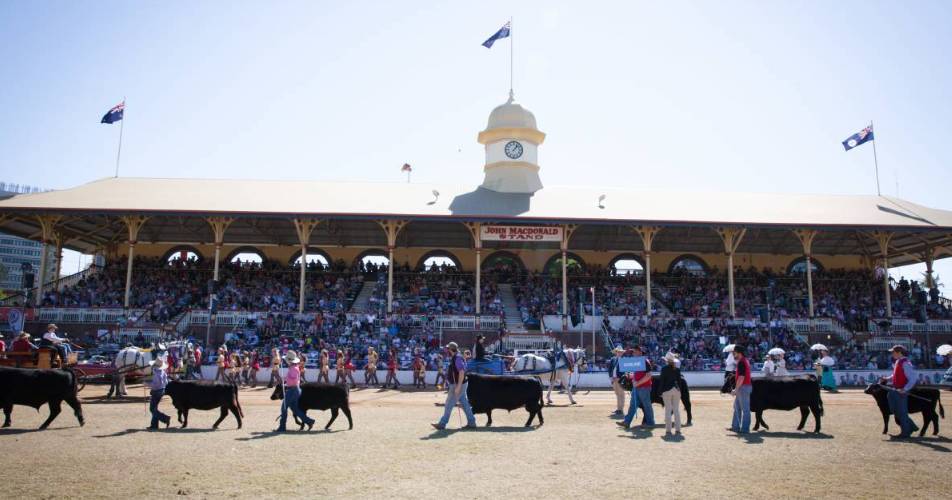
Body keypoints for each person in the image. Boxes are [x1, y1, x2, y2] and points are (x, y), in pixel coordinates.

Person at [431, 342, 477, 430]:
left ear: (451, 350)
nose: (446, 350)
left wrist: (458, 386)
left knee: (449, 404)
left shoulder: (457, 358)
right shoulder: (458, 357)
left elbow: (462, 372)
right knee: (464, 404)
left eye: (448, 349)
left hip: (458, 385)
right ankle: (472, 422)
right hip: (461, 384)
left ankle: (442, 424)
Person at [880, 345, 919, 438]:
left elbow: (913, 378)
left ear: (899, 352)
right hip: (895, 390)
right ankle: (912, 427)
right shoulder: (898, 361)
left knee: (901, 412)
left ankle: (905, 433)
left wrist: (905, 389)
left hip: (900, 391)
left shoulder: (905, 363)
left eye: (893, 352)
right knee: (895, 410)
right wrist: (886, 378)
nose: (892, 354)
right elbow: (895, 375)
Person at [276, 351, 315, 432]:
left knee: (284, 408)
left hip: (292, 390)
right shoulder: (294, 368)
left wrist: (286, 380)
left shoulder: (293, 368)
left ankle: (282, 427)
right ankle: (309, 421)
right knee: (295, 409)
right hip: (294, 390)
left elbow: (293, 380)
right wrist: (286, 383)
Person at [618, 346, 654, 429]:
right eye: (633, 352)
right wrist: (631, 376)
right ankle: (627, 422)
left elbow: (649, 376)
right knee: (633, 405)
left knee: (646, 405)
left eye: (634, 352)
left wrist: (638, 383)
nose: (633, 353)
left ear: (639, 352)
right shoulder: (638, 362)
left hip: (644, 387)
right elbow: (638, 374)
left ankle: (650, 423)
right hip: (638, 387)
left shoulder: (645, 361)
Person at [659, 352, 682, 436]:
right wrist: (680, 391)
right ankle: (678, 429)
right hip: (676, 390)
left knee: (668, 410)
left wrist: (660, 392)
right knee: (676, 410)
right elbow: (679, 382)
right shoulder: (677, 369)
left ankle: (668, 430)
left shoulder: (664, 369)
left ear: (666, 360)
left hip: (667, 391)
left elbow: (662, 381)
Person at [730, 345, 752, 434]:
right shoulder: (744, 361)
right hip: (744, 387)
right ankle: (735, 426)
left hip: (743, 387)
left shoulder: (742, 362)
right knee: (737, 407)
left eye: (734, 352)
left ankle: (745, 429)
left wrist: (736, 389)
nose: (733, 354)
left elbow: (741, 377)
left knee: (744, 409)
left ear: (739, 353)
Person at [147, 356, 171, 430]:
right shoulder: (162, 372)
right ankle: (154, 425)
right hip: (161, 390)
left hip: (156, 391)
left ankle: (165, 418)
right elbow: (166, 382)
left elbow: (155, 384)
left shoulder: (156, 373)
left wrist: (147, 384)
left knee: (152, 409)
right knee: (154, 408)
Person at [607, 346, 626, 416]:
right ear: (616, 352)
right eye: (618, 352)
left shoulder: (624, 360)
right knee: (618, 394)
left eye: (620, 352)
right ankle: (619, 408)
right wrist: (611, 378)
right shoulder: (613, 359)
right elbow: (610, 369)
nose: (619, 353)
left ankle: (620, 409)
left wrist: (620, 378)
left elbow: (625, 372)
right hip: (614, 379)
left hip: (620, 380)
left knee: (621, 394)